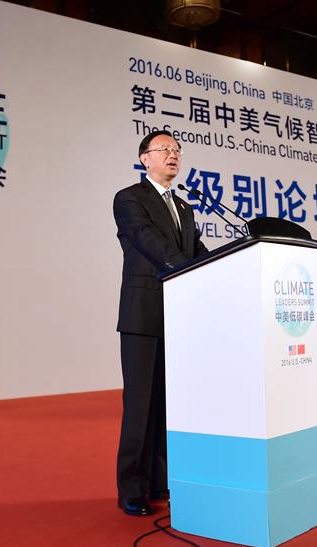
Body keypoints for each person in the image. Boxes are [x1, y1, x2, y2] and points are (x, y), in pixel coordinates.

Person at [113, 130, 208, 516]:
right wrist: (189, 265)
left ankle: (159, 482)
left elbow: (197, 250)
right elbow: (147, 240)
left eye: (177, 150)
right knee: (140, 405)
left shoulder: (185, 208)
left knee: (168, 406)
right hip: (143, 314)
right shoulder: (129, 199)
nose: (173, 155)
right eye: (164, 150)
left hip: (179, 316)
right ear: (145, 159)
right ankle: (131, 489)